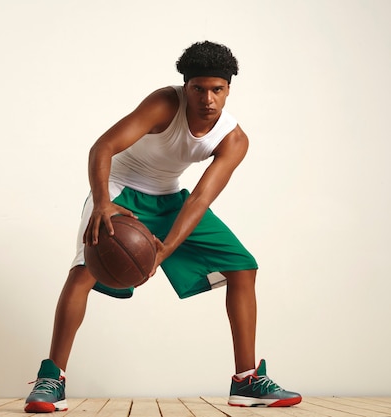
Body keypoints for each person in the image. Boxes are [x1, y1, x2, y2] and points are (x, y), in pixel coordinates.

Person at [24, 41, 301, 412]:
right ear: (185, 88)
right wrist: (102, 202)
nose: (208, 99)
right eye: (198, 89)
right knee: (83, 271)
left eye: (217, 89)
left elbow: (200, 199)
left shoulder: (234, 139)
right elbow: (103, 147)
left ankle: (247, 380)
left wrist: (165, 248)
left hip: (171, 199)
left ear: (229, 89)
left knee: (243, 266)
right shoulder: (164, 104)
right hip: (119, 192)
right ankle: (50, 379)